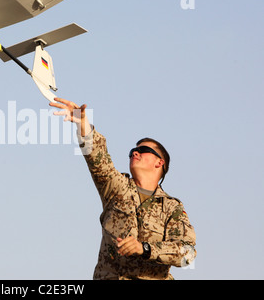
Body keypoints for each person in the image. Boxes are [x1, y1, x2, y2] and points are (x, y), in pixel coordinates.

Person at [50, 97, 196, 280]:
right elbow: (98, 159)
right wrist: (83, 124)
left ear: (160, 162)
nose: (135, 152)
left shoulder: (171, 208)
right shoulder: (117, 188)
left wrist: (145, 249)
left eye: (144, 150)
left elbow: (187, 254)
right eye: (132, 151)